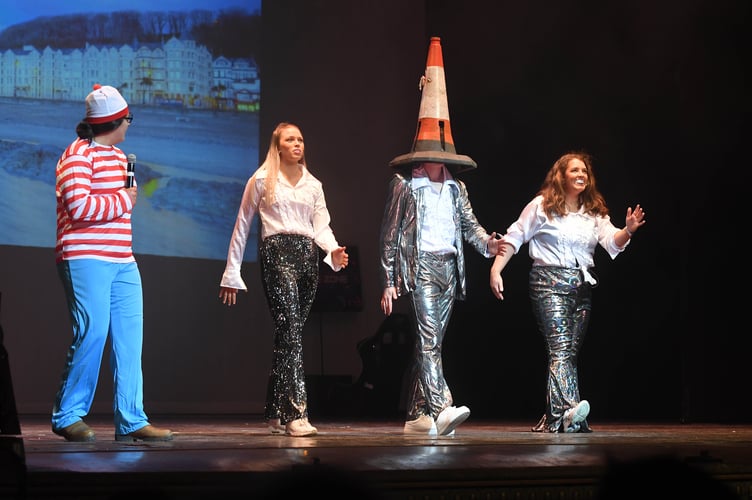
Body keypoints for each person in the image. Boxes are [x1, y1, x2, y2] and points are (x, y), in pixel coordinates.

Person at [489, 152, 646, 433]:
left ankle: (557, 418)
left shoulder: (593, 211)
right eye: (575, 170)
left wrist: (629, 230)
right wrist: (496, 270)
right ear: (561, 175)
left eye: (584, 171)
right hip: (548, 283)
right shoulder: (541, 206)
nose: (581, 175)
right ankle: (570, 408)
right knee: (560, 348)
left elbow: (611, 242)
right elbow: (514, 237)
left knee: (568, 353)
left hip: (582, 286)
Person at [52, 84, 173, 442]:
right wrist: (124, 199)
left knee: (128, 339)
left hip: (122, 260)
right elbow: (81, 208)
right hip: (85, 256)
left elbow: (121, 210)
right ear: (114, 121)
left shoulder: (121, 159)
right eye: (127, 119)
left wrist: (126, 200)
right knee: (92, 332)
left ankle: (132, 419)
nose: (129, 125)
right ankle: (67, 414)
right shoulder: (76, 156)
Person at [219, 122, 349, 438]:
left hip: (307, 258)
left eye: (300, 139)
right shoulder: (261, 180)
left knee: (288, 335)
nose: (297, 144)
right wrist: (231, 273)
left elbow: (321, 226)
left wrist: (332, 251)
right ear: (278, 146)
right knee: (290, 331)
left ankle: (274, 411)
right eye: (290, 139)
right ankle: (296, 413)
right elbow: (242, 225)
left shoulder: (313, 185)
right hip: (277, 255)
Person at [379, 161, 506, 436]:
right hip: (420, 265)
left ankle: (416, 413)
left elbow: (469, 226)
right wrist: (389, 282)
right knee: (429, 341)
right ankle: (440, 407)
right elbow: (390, 234)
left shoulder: (456, 187)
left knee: (430, 344)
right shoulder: (406, 184)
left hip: (448, 268)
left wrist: (488, 244)